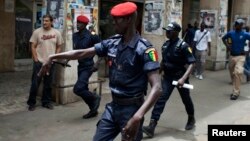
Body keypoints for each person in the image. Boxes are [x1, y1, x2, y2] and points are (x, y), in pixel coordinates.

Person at [38, 2, 162, 141]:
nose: (113, 22)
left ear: (128, 20)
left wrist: (138, 116)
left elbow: (157, 88)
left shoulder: (144, 49)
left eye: (117, 19)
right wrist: (53, 56)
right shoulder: (112, 42)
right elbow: (82, 53)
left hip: (132, 109)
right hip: (113, 107)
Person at [142, 22, 196, 138]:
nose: (167, 32)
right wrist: (157, 74)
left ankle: (191, 118)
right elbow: (163, 62)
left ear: (176, 32)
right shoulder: (165, 45)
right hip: (167, 78)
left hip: (180, 77)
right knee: (161, 99)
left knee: (186, 99)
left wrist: (183, 78)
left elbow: (192, 63)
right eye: (166, 30)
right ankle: (152, 125)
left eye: (169, 31)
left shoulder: (183, 46)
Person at [27, 14, 64, 111]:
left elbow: (59, 46)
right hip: (39, 61)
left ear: (51, 22)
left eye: (47, 21)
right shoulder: (37, 32)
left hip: (50, 63)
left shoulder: (56, 33)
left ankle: (46, 102)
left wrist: (55, 57)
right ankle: (31, 103)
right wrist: (36, 59)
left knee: (48, 83)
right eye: (43, 20)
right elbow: (33, 46)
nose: (44, 22)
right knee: (35, 83)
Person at [72, 15, 101, 119]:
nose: (78, 25)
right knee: (83, 89)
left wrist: (97, 63)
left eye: (80, 23)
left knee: (78, 89)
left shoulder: (92, 36)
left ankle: (95, 97)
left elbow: (102, 50)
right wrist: (67, 58)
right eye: (77, 22)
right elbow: (75, 51)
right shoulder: (75, 36)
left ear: (85, 25)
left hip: (89, 66)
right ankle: (93, 110)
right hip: (80, 66)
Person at [222, 19, 250, 100]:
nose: (238, 26)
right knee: (233, 74)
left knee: (238, 72)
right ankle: (236, 87)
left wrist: (248, 50)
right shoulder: (231, 33)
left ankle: (236, 92)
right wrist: (227, 46)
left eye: (240, 24)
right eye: (237, 24)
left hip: (241, 57)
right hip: (232, 56)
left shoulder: (245, 34)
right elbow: (223, 38)